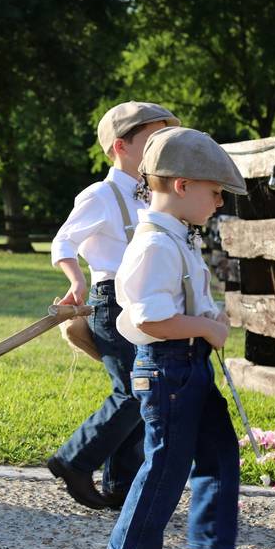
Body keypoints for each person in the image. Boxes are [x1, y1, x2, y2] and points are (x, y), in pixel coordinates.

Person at [105, 126, 272, 549]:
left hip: (187, 366)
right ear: (182, 185)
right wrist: (205, 327)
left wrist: (206, 314)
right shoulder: (156, 244)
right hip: (167, 368)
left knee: (219, 452)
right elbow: (152, 320)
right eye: (215, 192)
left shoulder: (176, 238)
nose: (219, 202)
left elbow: (176, 301)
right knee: (167, 463)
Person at [47, 101, 180, 510]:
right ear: (121, 147)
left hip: (145, 304)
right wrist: (77, 280)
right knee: (137, 390)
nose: (162, 148)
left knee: (148, 390)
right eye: (152, 140)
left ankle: (123, 486)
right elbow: (63, 241)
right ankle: (73, 460)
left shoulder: (152, 196)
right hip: (112, 305)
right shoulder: (101, 195)